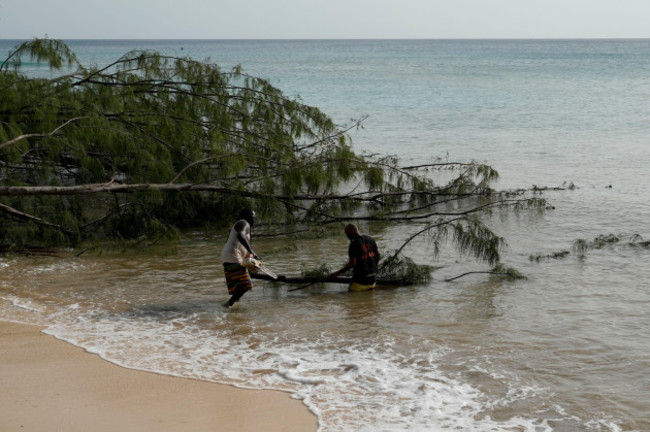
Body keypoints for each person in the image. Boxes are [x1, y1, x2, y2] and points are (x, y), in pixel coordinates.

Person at [220, 209, 259, 307]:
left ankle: (232, 317)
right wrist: (252, 252)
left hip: (228, 257)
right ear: (247, 217)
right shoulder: (244, 223)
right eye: (252, 218)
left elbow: (238, 245)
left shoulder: (239, 225)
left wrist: (249, 259)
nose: (254, 220)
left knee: (237, 291)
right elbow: (240, 236)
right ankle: (228, 305)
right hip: (233, 257)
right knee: (246, 285)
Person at [330, 223, 381, 291]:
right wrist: (375, 266)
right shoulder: (370, 239)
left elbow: (352, 263)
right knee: (369, 299)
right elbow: (378, 254)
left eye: (347, 234)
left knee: (351, 297)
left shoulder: (353, 244)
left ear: (353, 231)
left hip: (361, 279)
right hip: (373, 277)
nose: (347, 236)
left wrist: (337, 273)